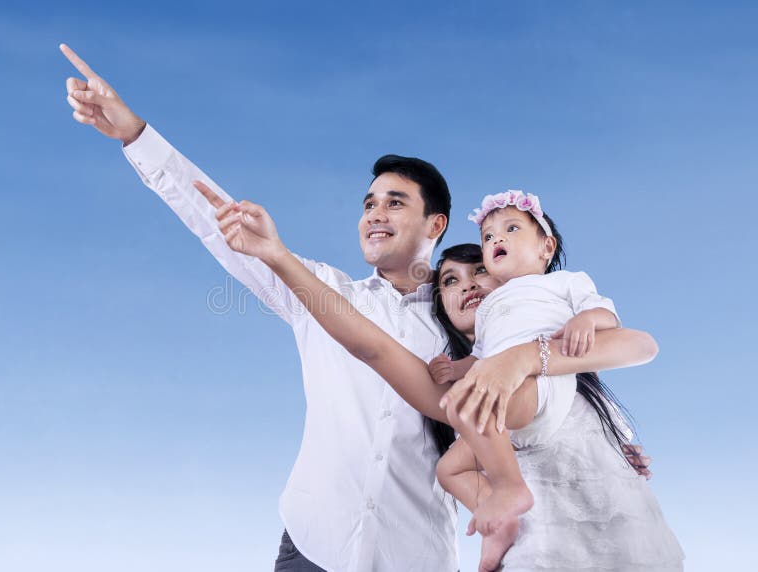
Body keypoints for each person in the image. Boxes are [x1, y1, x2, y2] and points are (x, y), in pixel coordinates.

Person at [60, 43, 658, 571]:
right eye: (369, 203)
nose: (375, 213)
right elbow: (223, 228)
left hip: (415, 555)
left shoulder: (473, 320)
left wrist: (610, 447)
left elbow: (557, 378)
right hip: (312, 549)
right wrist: (136, 136)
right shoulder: (324, 296)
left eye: (395, 203)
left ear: (436, 224)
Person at [205, 193, 684, 571]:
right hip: (537, 546)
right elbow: (371, 345)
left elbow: (639, 346)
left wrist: (524, 359)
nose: (469, 285)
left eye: (480, 270)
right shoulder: (462, 381)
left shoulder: (553, 338)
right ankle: (504, 504)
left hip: (610, 531)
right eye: (449, 282)